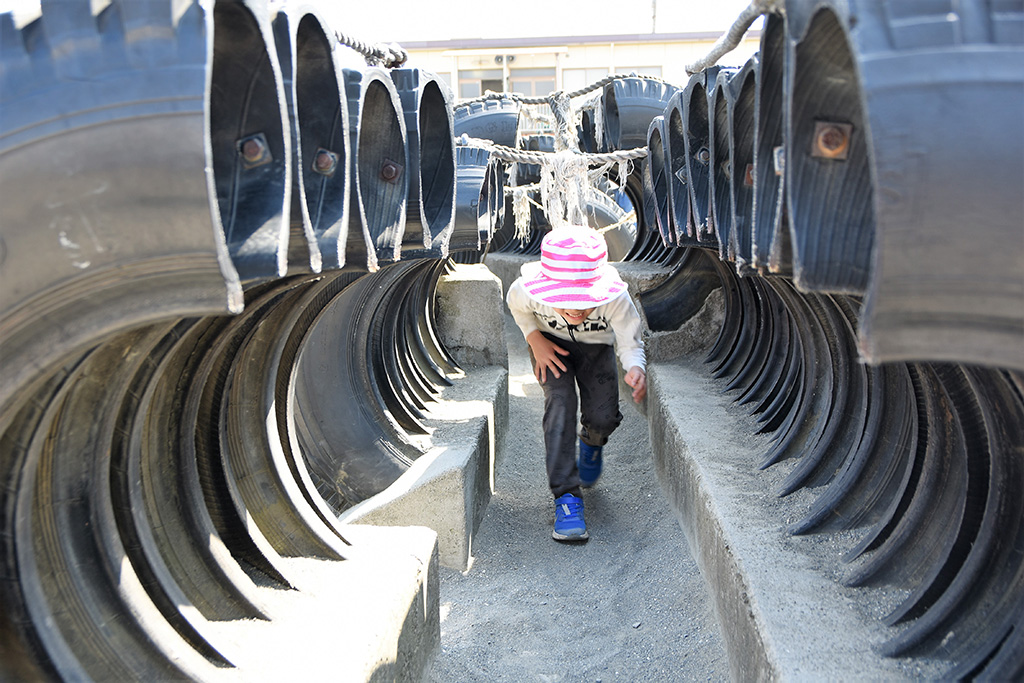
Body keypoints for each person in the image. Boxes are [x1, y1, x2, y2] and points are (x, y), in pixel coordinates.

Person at [505, 224, 646, 542]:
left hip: (596, 348)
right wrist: (533, 336)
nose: (575, 310)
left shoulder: (616, 299)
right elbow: (517, 306)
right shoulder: (525, 290)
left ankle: (593, 442)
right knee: (560, 402)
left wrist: (635, 367)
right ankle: (566, 498)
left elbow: (628, 336)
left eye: (584, 302)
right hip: (549, 348)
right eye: (566, 302)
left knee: (603, 415)